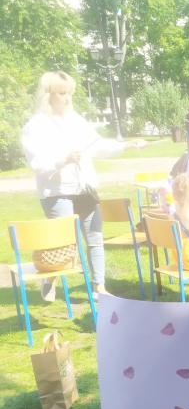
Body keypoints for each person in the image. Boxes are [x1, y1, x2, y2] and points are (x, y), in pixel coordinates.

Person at [21, 71, 145, 301]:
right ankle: (50, 276)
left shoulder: (76, 120)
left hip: (84, 190)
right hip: (57, 193)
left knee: (95, 238)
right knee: (64, 244)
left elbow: (99, 146)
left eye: (69, 93)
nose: (67, 98)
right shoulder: (36, 125)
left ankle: (99, 288)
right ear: (48, 95)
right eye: (61, 93)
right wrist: (63, 160)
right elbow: (37, 163)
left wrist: (129, 145)